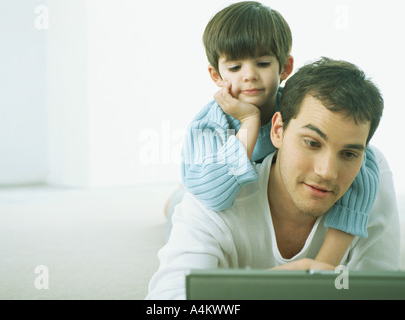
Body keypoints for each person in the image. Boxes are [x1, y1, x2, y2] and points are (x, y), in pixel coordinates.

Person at [147, 57, 401, 300]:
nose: (327, 172)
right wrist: (267, 290)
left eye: (348, 153)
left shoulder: (369, 175)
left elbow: (380, 290)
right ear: (278, 130)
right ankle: (176, 196)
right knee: (181, 205)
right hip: (222, 187)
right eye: (312, 143)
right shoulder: (213, 192)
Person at [164, 1, 379, 268]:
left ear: (285, 67)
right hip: (205, 194)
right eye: (234, 68)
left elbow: (363, 166)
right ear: (215, 74)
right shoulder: (208, 126)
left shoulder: (297, 109)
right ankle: (172, 198)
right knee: (179, 210)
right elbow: (210, 196)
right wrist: (249, 123)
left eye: (263, 63)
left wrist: (324, 264)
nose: (250, 76)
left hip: (270, 202)